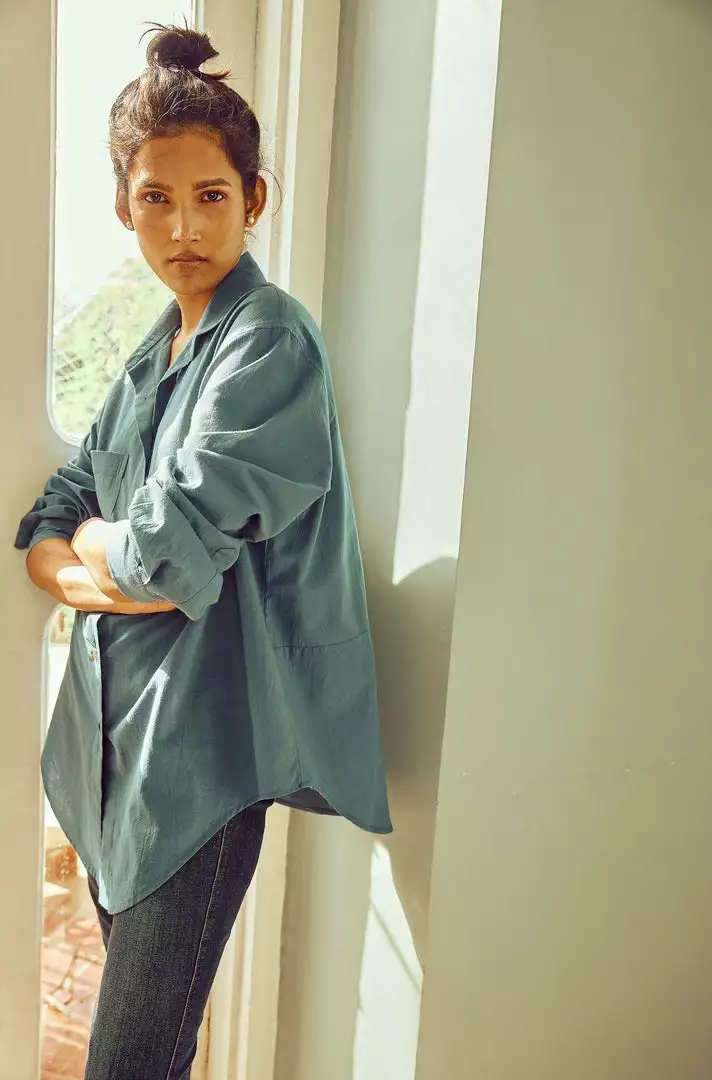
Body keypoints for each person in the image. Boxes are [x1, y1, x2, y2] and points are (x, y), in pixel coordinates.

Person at [15, 23, 392, 1080]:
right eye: (156, 198)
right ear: (125, 207)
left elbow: (160, 559)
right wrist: (84, 564)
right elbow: (54, 514)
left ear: (254, 198)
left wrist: (95, 554)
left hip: (203, 765)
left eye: (211, 195)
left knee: (131, 1061)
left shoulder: (269, 340)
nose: (183, 226)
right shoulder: (153, 355)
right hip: (115, 752)